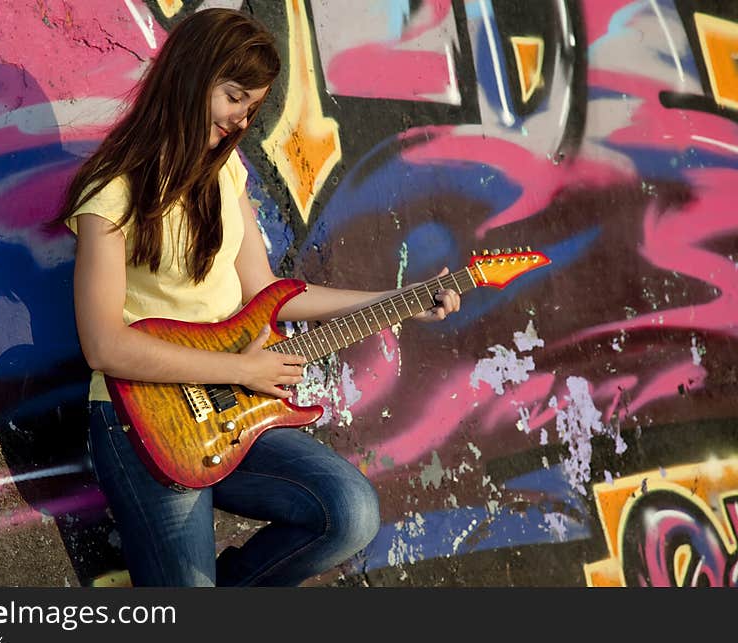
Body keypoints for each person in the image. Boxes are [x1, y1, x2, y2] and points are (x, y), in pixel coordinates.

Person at [54, 8, 460, 587]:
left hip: (233, 410)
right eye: (233, 97)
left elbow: (268, 295)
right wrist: (240, 367)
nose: (241, 120)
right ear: (191, 78)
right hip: (141, 421)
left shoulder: (226, 176)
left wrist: (401, 299)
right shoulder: (112, 192)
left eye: (252, 106)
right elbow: (103, 346)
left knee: (350, 513)